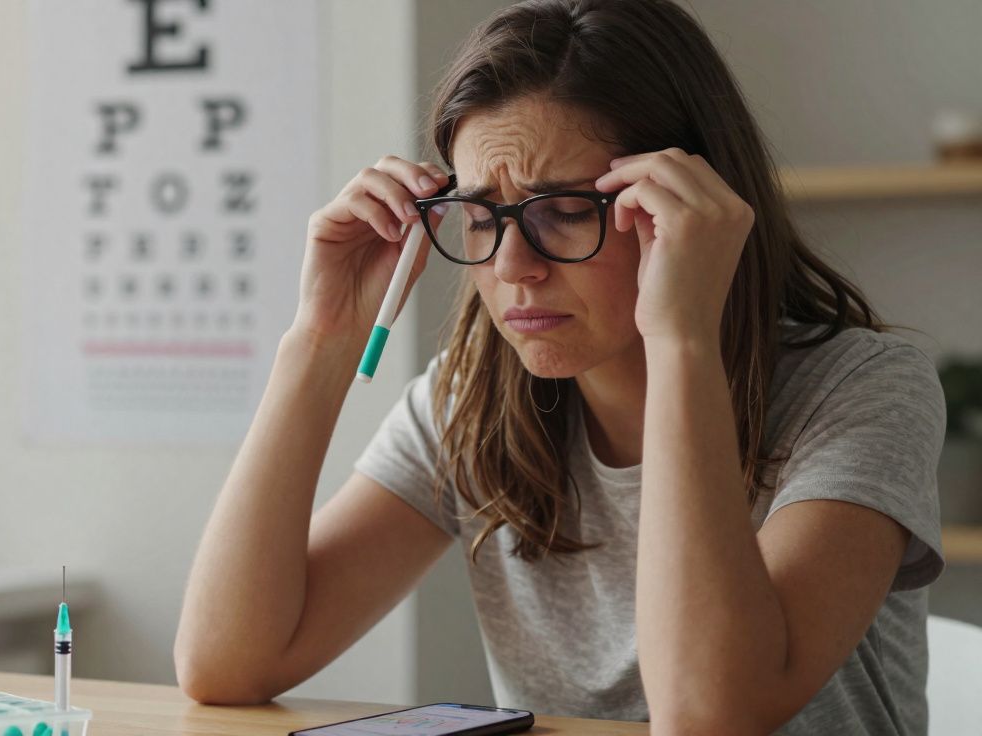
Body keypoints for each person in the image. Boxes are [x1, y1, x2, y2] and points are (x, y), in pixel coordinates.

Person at [173, 1, 946, 733]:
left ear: (689, 202)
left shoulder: (862, 390)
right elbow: (226, 662)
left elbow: (711, 716)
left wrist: (681, 339)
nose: (513, 266)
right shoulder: (468, 402)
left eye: (565, 212)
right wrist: (319, 338)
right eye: (481, 215)